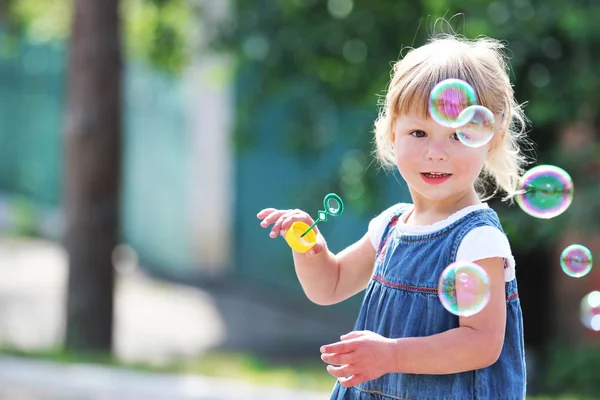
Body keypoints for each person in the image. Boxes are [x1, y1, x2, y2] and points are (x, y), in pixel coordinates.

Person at [257, 34, 529, 400]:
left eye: (459, 136)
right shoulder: (391, 226)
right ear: (391, 134)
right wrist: (311, 250)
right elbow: (330, 286)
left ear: (491, 141)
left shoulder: (476, 239)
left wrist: (391, 354)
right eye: (419, 132)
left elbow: (481, 343)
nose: (436, 152)